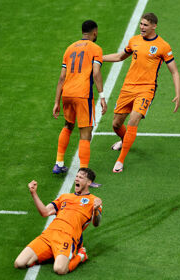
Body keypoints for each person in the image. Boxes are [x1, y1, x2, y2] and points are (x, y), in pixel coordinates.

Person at [102, 12, 180, 173]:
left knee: (133, 119)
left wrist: (178, 93)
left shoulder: (163, 46)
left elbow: (174, 71)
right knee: (116, 124)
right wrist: (98, 57)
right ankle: (124, 141)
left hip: (146, 89)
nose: (142, 27)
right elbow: (119, 57)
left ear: (154, 26)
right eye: (141, 24)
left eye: (145, 25)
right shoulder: (134, 40)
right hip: (127, 88)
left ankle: (120, 160)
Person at [14, 168, 103, 274]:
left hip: (67, 238)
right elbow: (45, 212)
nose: (77, 179)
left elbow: (96, 223)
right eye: (77, 176)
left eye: (81, 177)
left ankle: (81, 256)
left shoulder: (94, 200)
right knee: (19, 263)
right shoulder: (64, 197)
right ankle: (53, 254)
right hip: (48, 235)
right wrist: (34, 193)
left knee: (60, 269)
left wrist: (96, 209)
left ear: (89, 182)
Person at [52, 20, 107, 175]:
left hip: (67, 93)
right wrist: (102, 97)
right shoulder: (96, 48)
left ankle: (59, 163)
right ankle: (83, 172)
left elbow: (61, 78)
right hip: (83, 95)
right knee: (85, 133)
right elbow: (96, 72)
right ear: (94, 32)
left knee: (68, 125)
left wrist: (57, 101)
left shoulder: (69, 49)